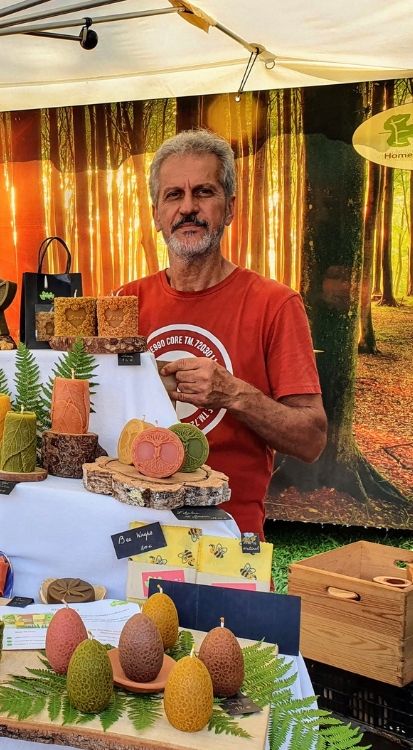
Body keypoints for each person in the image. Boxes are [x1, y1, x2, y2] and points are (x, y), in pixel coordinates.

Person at [116, 129, 327, 538]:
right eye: (173, 195)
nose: (188, 207)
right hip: (133, 525)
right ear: (156, 214)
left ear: (229, 208)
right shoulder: (124, 302)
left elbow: (311, 439)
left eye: (204, 192)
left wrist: (233, 394)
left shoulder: (275, 304)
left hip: (227, 532)